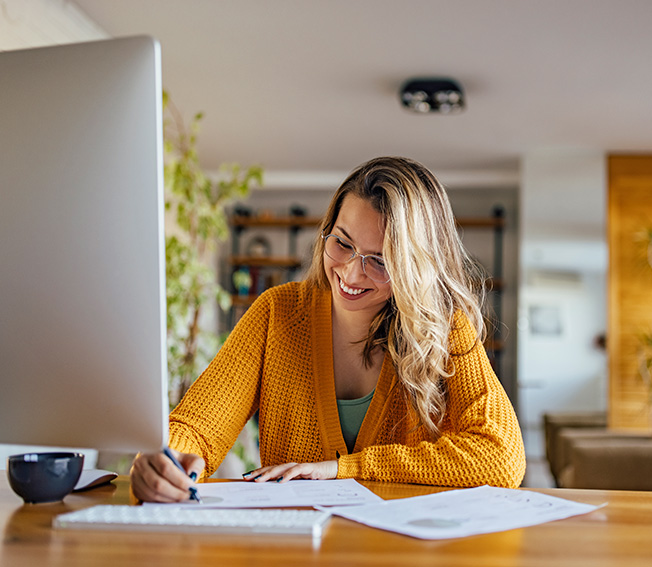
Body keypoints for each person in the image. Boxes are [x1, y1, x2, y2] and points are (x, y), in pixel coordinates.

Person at [130, 156, 525, 502]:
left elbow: (502, 457)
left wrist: (342, 469)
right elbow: (197, 429)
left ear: (415, 269)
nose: (352, 272)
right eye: (342, 242)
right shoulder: (276, 313)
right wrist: (163, 462)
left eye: (381, 261)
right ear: (327, 229)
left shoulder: (444, 327)